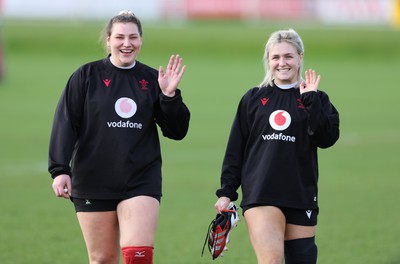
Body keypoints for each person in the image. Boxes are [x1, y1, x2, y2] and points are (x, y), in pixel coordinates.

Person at [48, 10, 190, 264]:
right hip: (93, 178)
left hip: (140, 179)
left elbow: (176, 131)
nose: (127, 44)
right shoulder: (86, 76)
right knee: (103, 259)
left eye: (133, 37)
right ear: (109, 40)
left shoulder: (151, 79)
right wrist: (60, 170)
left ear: (141, 40)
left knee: (138, 256)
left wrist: (169, 96)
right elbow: (66, 122)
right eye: (120, 37)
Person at [213, 29, 339, 264]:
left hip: (300, 194)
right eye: (276, 57)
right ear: (268, 60)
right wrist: (227, 192)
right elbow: (235, 150)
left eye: (289, 56)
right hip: (261, 193)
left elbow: (327, 138)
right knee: (271, 260)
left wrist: (310, 101)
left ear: (300, 57)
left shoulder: (318, 99)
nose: (282, 63)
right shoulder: (253, 98)